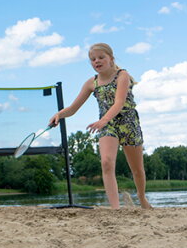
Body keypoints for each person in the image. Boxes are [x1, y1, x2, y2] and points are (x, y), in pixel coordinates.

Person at [49, 43, 152, 209]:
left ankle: (142, 198)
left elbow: (119, 103)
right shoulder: (91, 83)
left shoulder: (122, 75)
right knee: (106, 162)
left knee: (137, 170)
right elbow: (73, 108)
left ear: (111, 58)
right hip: (107, 125)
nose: (97, 61)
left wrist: (103, 119)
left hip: (128, 123)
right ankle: (115, 208)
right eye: (93, 59)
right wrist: (59, 115)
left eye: (101, 57)